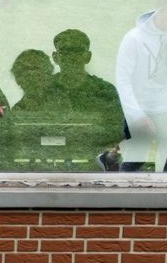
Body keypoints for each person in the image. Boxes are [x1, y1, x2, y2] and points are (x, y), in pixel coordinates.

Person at [114, 0, 167, 170]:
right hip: (141, 109)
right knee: (135, 160)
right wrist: (137, 115)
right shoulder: (133, 39)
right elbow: (122, 80)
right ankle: (112, 165)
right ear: (158, 11)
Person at [46, 29, 126, 165]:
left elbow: (117, 133)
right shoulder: (44, 90)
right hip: (49, 163)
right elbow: (28, 129)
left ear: (88, 57)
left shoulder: (105, 91)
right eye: (65, 51)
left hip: (94, 164)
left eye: (77, 51)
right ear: (55, 57)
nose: (71, 57)